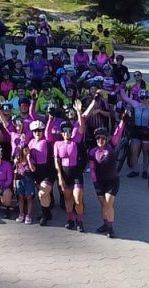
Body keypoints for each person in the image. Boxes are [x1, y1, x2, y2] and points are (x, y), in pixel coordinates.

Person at [53, 99, 90, 232]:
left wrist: (79, 112)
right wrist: (60, 177)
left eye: (69, 130)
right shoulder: (57, 144)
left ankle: (79, 221)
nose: (67, 133)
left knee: (78, 199)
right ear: (61, 133)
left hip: (76, 173)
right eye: (65, 131)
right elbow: (57, 161)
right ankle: (70, 219)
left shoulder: (75, 141)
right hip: (64, 174)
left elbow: (81, 127)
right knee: (68, 199)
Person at [88, 117, 128, 239]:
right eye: (98, 138)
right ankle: (105, 224)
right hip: (99, 182)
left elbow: (118, 132)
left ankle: (110, 228)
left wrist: (123, 120)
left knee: (108, 203)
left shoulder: (111, 146)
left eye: (103, 138)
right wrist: (95, 183)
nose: (100, 140)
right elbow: (92, 168)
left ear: (106, 139)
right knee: (103, 205)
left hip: (112, 181)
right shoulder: (92, 152)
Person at [120, 89, 149, 179]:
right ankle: (135, 170)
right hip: (136, 130)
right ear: (139, 97)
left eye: (146, 97)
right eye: (142, 97)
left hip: (146, 131)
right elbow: (124, 97)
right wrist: (121, 86)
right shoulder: (136, 104)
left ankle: (145, 170)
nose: (144, 99)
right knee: (134, 151)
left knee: (145, 152)